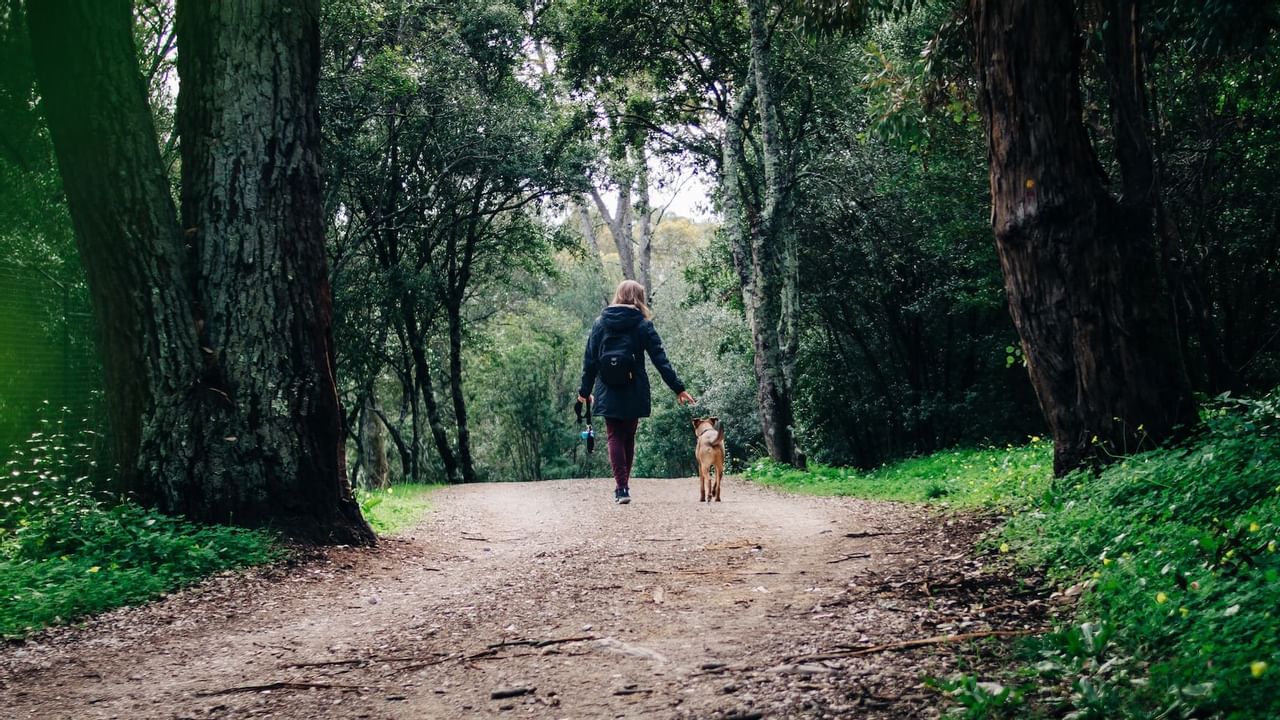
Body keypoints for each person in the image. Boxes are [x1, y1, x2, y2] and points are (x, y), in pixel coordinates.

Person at [578, 280, 695, 504]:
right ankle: (624, 485)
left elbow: (590, 360)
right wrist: (678, 388)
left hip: (607, 387)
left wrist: (584, 391)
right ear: (638, 298)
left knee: (614, 435)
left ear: (618, 295)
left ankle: (621, 488)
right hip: (634, 387)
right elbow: (660, 360)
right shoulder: (642, 325)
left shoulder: (600, 323)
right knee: (628, 435)